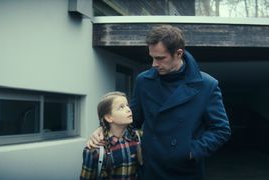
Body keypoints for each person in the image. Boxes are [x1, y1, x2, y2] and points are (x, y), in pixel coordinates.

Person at [88, 25, 231, 180]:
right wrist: (104, 129)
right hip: (151, 168)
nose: (154, 64)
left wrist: (191, 151)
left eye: (160, 58)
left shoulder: (207, 85)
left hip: (186, 171)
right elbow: (132, 119)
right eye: (152, 57)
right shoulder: (144, 81)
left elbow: (221, 130)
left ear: (178, 53)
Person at [80, 91, 142, 180]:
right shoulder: (95, 150)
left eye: (127, 105)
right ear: (109, 117)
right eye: (121, 107)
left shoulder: (137, 137)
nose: (128, 109)